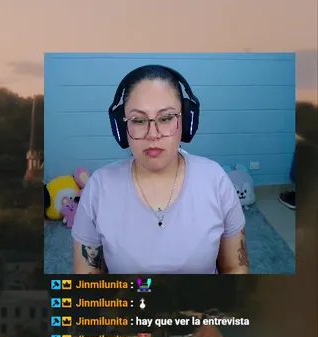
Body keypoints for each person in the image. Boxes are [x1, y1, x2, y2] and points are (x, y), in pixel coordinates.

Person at [72, 65, 248, 275]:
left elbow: (235, 267)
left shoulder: (215, 180)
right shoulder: (99, 188)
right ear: (121, 126)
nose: (153, 135)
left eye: (165, 118)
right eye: (138, 120)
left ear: (187, 121)